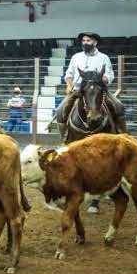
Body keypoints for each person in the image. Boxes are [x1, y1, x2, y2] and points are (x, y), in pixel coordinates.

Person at [54, 31, 123, 214]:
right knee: (60, 112)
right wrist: (69, 85)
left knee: (118, 106)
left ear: (95, 42)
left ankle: (123, 136)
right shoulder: (76, 57)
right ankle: (65, 137)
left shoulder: (104, 58)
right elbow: (69, 74)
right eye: (84, 40)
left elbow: (110, 75)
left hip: (99, 90)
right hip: (79, 91)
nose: (86, 42)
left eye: (89, 40)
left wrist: (100, 80)